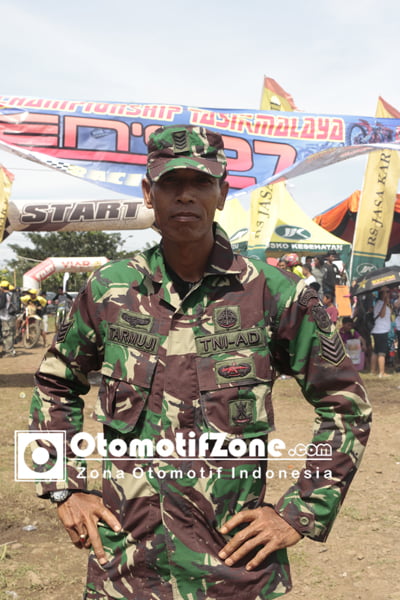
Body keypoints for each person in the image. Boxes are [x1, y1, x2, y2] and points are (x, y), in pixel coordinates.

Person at [30, 125, 371, 600]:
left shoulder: (274, 294)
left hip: (233, 571)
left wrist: (300, 512)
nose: (185, 195)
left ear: (223, 193)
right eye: (171, 183)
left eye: (201, 182)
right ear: (148, 193)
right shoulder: (109, 289)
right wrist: (61, 488)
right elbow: (54, 383)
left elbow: (346, 404)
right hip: (127, 569)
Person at [370, 286, 392, 378]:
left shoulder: (382, 304)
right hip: (381, 331)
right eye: (386, 292)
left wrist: (386, 303)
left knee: (376, 351)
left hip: (380, 330)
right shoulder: (380, 304)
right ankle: (381, 372)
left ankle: (373, 370)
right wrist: (385, 303)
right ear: (382, 294)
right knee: (381, 352)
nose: (388, 294)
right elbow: (382, 315)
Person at [0, 279, 17, 356]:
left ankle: (9, 351)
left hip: (5, 317)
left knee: (6, 334)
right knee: (11, 334)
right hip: (12, 316)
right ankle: (8, 349)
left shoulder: (4, 295)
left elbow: (2, 305)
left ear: (2, 287)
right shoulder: (12, 294)